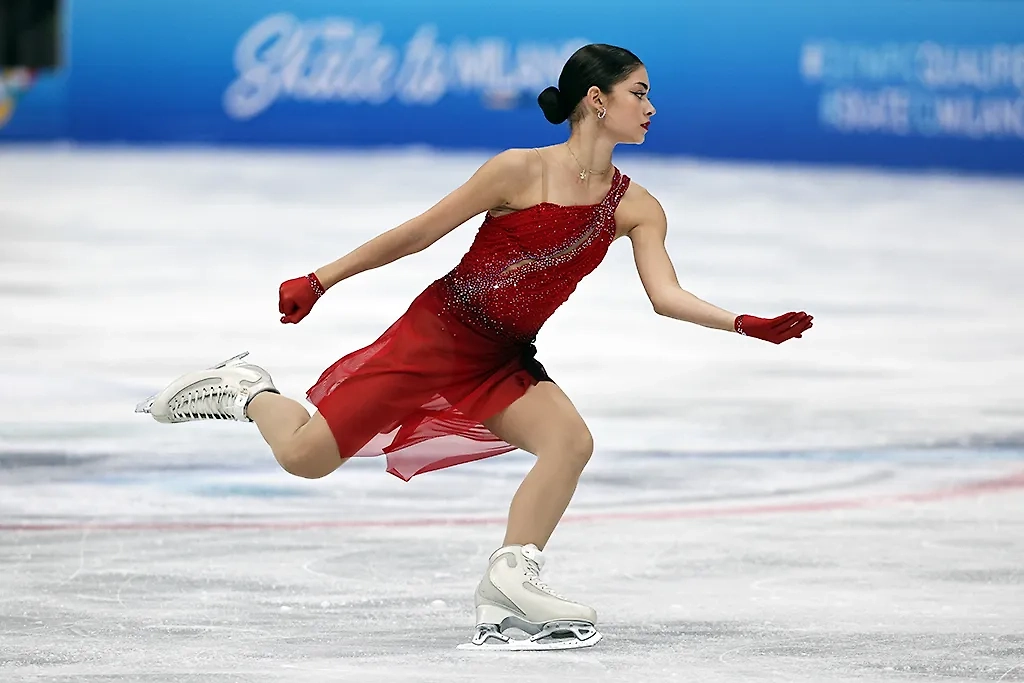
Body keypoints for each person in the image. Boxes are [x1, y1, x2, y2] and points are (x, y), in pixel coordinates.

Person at [136, 44, 813, 651]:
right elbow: (419, 233)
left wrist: (744, 323)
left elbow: (665, 294)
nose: (651, 107)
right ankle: (249, 390)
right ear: (596, 99)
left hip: (502, 356)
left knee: (570, 442)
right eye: (639, 93)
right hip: (437, 335)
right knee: (304, 458)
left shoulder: (637, 207)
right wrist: (321, 279)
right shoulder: (517, 170)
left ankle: (511, 580)